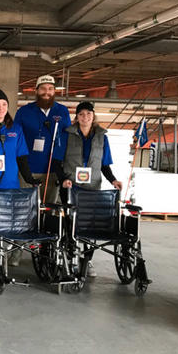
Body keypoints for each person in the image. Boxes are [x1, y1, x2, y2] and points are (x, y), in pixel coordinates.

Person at [54, 101, 123, 277]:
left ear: (93, 116)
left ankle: (87, 259)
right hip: (71, 186)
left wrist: (113, 180)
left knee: (90, 225)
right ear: (76, 117)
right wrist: (63, 180)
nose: (85, 117)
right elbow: (56, 163)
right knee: (71, 223)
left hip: (92, 188)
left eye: (88, 114)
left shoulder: (101, 137)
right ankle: (70, 256)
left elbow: (104, 164)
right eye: (81, 114)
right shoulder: (66, 135)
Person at [14, 75, 71, 203]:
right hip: (27, 171)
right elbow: (16, 140)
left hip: (52, 171)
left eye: (50, 88)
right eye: (43, 88)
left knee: (49, 209)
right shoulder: (24, 111)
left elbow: (68, 138)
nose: (47, 92)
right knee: (26, 208)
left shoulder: (62, 111)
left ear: (54, 91)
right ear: (36, 91)